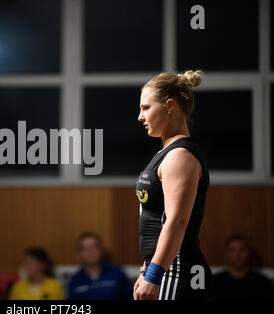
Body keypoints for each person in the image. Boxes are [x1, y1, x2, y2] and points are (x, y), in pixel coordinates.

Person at [134, 70, 213, 300]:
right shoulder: (167, 152)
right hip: (165, 269)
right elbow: (155, 218)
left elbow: (176, 221)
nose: (140, 116)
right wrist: (146, 268)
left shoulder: (180, 156)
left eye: (146, 108)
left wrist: (153, 275)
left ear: (170, 106)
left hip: (177, 272)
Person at [67, 232, 133, 300]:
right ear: (79, 253)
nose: (89, 252)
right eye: (84, 248)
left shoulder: (117, 274)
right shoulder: (74, 281)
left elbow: (132, 297)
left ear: (101, 250)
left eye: (93, 247)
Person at [213, 234, 273, 300]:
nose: (237, 255)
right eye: (232, 250)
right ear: (226, 253)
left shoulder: (262, 282)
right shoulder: (215, 282)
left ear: (249, 252)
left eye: (242, 250)